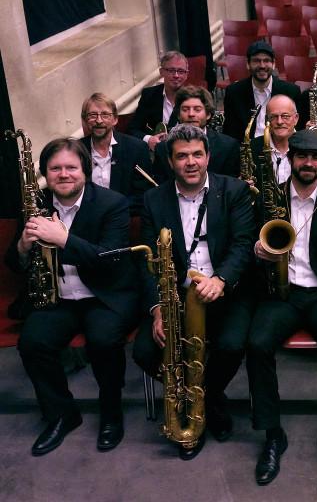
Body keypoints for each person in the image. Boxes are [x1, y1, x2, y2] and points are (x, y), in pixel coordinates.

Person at [6, 138, 139, 455]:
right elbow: (13, 263)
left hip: (104, 295)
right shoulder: (36, 203)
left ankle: (111, 413)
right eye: (55, 168)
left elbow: (110, 259)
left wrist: (63, 239)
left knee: (103, 340)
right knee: (33, 342)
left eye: (71, 167)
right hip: (58, 298)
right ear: (45, 173)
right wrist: (23, 245)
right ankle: (61, 415)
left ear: (85, 170)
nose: (63, 174)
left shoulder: (112, 203)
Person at [132, 124, 255, 460]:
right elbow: (147, 261)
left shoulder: (234, 190)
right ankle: (199, 396)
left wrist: (221, 279)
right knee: (144, 352)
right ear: (170, 162)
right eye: (182, 156)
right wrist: (158, 309)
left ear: (208, 157)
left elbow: (243, 243)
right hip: (176, 296)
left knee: (231, 345)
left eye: (197, 154)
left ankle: (205, 400)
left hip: (224, 292)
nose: (191, 162)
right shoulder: (153, 199)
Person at [247, 130, 317, 487]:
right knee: (257, 344)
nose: (309, 163)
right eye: (302, 156)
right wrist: (257, 251)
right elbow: (248, 244)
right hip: (282, 294)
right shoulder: (270, 199)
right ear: (290, 158)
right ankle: (272, 434)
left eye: (316, 157)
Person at [79, 92, 152, 215]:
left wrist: (110, 209)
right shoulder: (76, 150)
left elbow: (143, 194)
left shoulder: (137, 148)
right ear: (85, 120)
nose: (99, 120)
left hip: (124, 217)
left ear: (115, 119)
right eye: (92, 115)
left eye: (105, 115)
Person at [152, 85, 239, 182]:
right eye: (185, 109)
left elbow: (231, 184)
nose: (191, 114)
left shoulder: (228, 146)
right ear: (178, 115)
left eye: (197, 109)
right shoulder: (162, 148)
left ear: (208, 114)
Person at [222, 41, 301, 142]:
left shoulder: (291, 91)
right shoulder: (234, 92)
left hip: (280, 144)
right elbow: (230, 131)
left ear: (273, 64)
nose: (262, 65)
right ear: (248, 64)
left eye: (266, 60)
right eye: (256, 61)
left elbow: (297, 127)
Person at [127, 50, 188, 148]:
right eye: (171, 70)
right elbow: (132, 129)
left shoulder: (194, 97)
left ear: (186, 74)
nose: (176, 75)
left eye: (181, 71)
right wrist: (149, 139)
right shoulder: (149, 95)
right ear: (161, 72)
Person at [250, 94, 299, 190]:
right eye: (273, 117)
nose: (279, 122)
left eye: (285, 116)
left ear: (296, 118)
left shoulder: (308, 147)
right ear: (266, 120)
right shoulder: (252, 148)